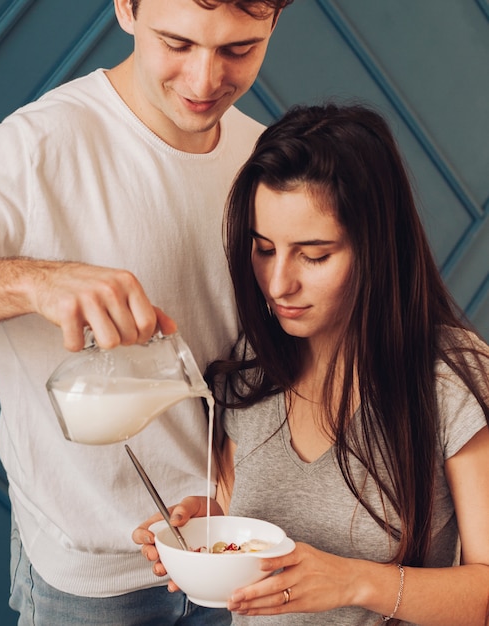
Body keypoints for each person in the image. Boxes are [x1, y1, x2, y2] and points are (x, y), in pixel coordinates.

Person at [0, 0, 295, 624]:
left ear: (273, 25)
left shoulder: (265, 160)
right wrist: (34, 282)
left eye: (238, 50)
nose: (205, 82)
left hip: (232, 552)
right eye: (176, 44)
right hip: (92, 580)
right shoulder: (37, 148)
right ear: (126, 7)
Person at [133, 103, 489, 625]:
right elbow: (248, 524)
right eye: (263, 248)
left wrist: (355, 579)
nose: (279, 285)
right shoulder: (249, 368)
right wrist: (210, 532)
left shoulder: (452, 378)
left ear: (377, 247)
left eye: (314, 255)